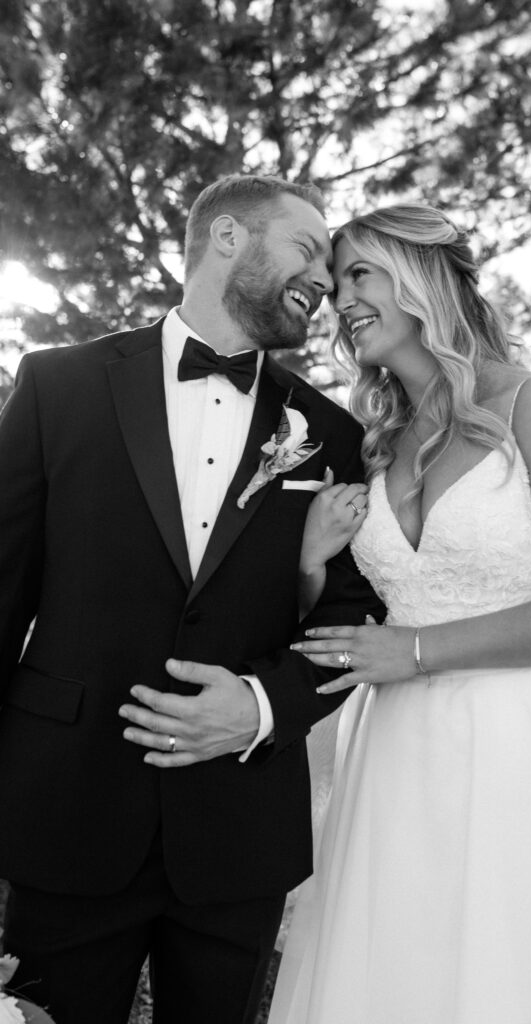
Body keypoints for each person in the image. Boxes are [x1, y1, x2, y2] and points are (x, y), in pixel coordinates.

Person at [268, 203, 531, 1023]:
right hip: (394, 752)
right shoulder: (374, 440)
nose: (336, 297)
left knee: (520, 964)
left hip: (528, 742)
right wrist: (310, 564)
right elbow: (348, 616)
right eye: (332, 280)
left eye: (359, 273)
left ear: (424, 278)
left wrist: (417, 649)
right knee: (401, 967)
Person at [0, 173, 383, 1024]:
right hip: (67, 808)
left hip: (237, 828)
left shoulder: (332, 434)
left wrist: (258, 708)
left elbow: (350, 612)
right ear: (227, 240)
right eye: (308, 249)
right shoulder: (57, 385)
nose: (325, 279)